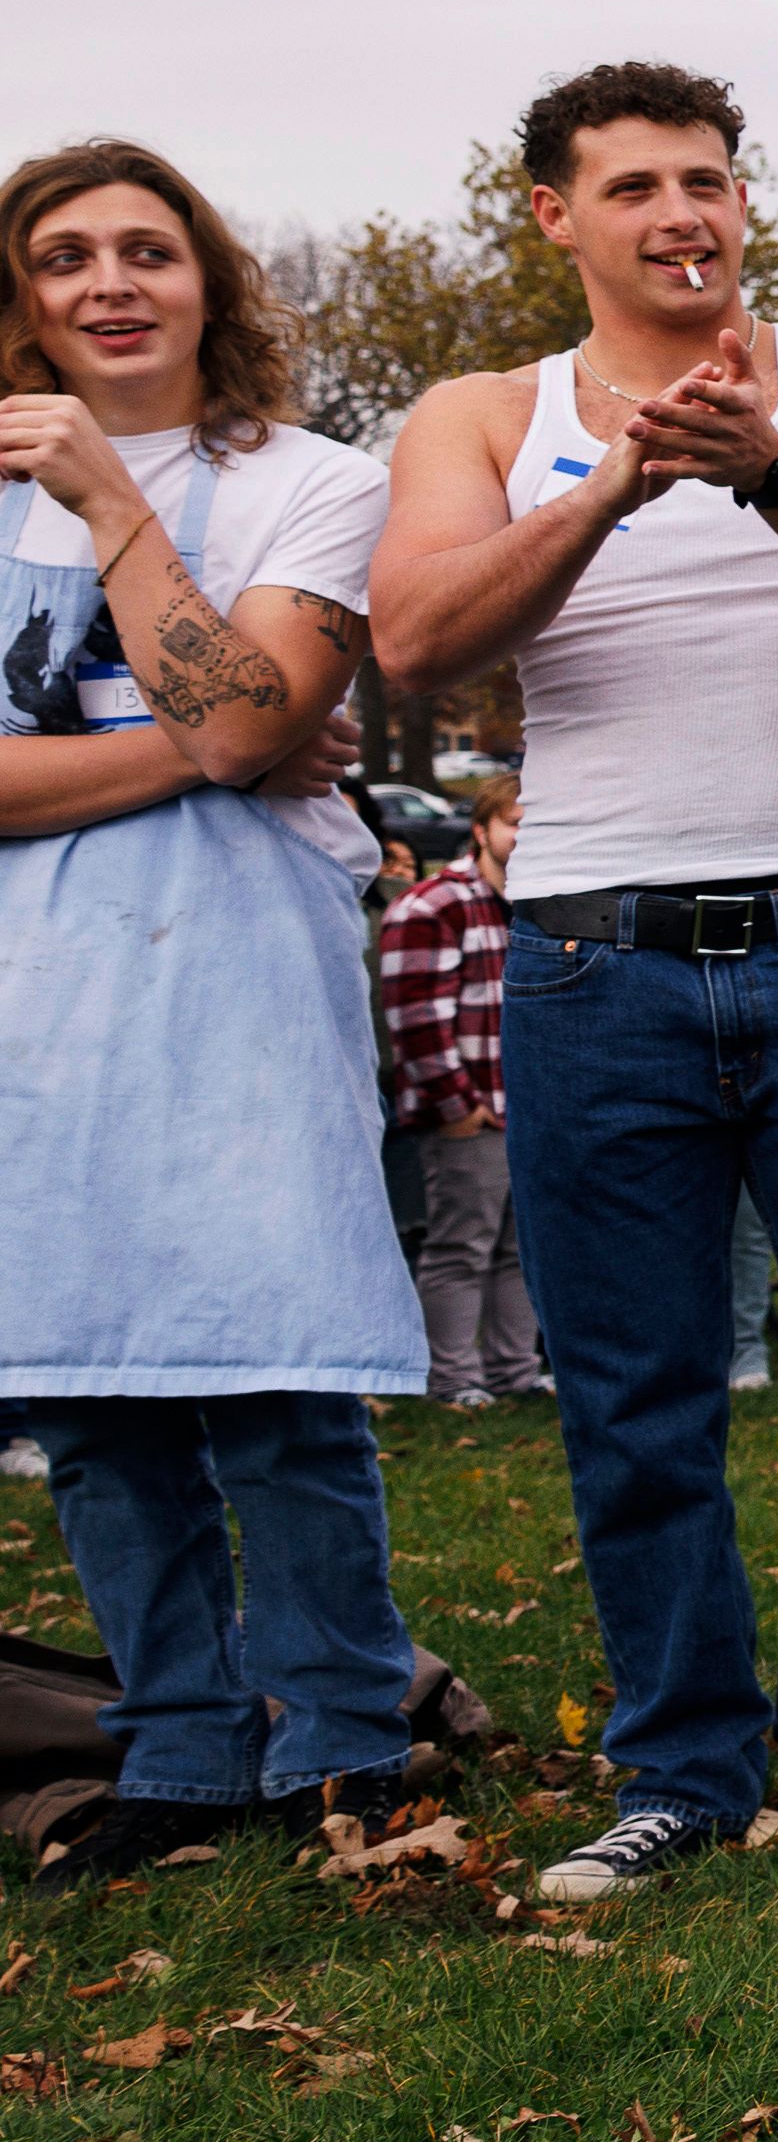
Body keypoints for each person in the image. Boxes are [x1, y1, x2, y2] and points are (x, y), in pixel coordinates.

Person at [372, 62, 778, 1899]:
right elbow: (419, 637)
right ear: (554, 216)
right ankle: (679, 1760)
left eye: (711, 179)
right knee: (633, 1391)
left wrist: (766, 463)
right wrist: (610, 484)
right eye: (640, 186)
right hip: (595, 964)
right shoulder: (481, 411)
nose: (685, 212)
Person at [2, 141, 430, 1883]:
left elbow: (264, 730)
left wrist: (117, 508)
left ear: (209, 280)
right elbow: (236, 724)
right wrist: (204, 744)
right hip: (34, 996)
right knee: (87, 1387)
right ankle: (179, 1736)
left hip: (239, 969)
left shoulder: (312, 482)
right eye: (65, 254)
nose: (110, 282)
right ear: (20, 294)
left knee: (276, 1377)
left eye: (147, 250)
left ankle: (341, 1730)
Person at [375, 780, 544, 1409]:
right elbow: (414, 1017)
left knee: (522, 1251)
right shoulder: (434, 906)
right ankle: (452, 1379)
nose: (525, 837)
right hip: (468, 1113)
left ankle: (513, 1372)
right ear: (481, 831)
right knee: (458, 1249)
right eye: (514, 824)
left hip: (531, 1112)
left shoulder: (543, 905)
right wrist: (458, 1108)